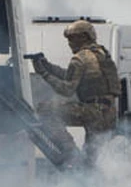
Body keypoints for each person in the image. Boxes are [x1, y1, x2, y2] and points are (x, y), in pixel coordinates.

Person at [31, 20, 121, 166]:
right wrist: (48, 66)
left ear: (84, 37)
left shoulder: (80, 58)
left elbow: (67, 89)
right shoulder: (101, 54)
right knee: (90, 161)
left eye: (73, 38)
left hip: (92, 111)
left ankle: (69, 150)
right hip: (108, 113)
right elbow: (71, 75)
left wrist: (44, 74)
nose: (69, 43)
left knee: (45, 110)